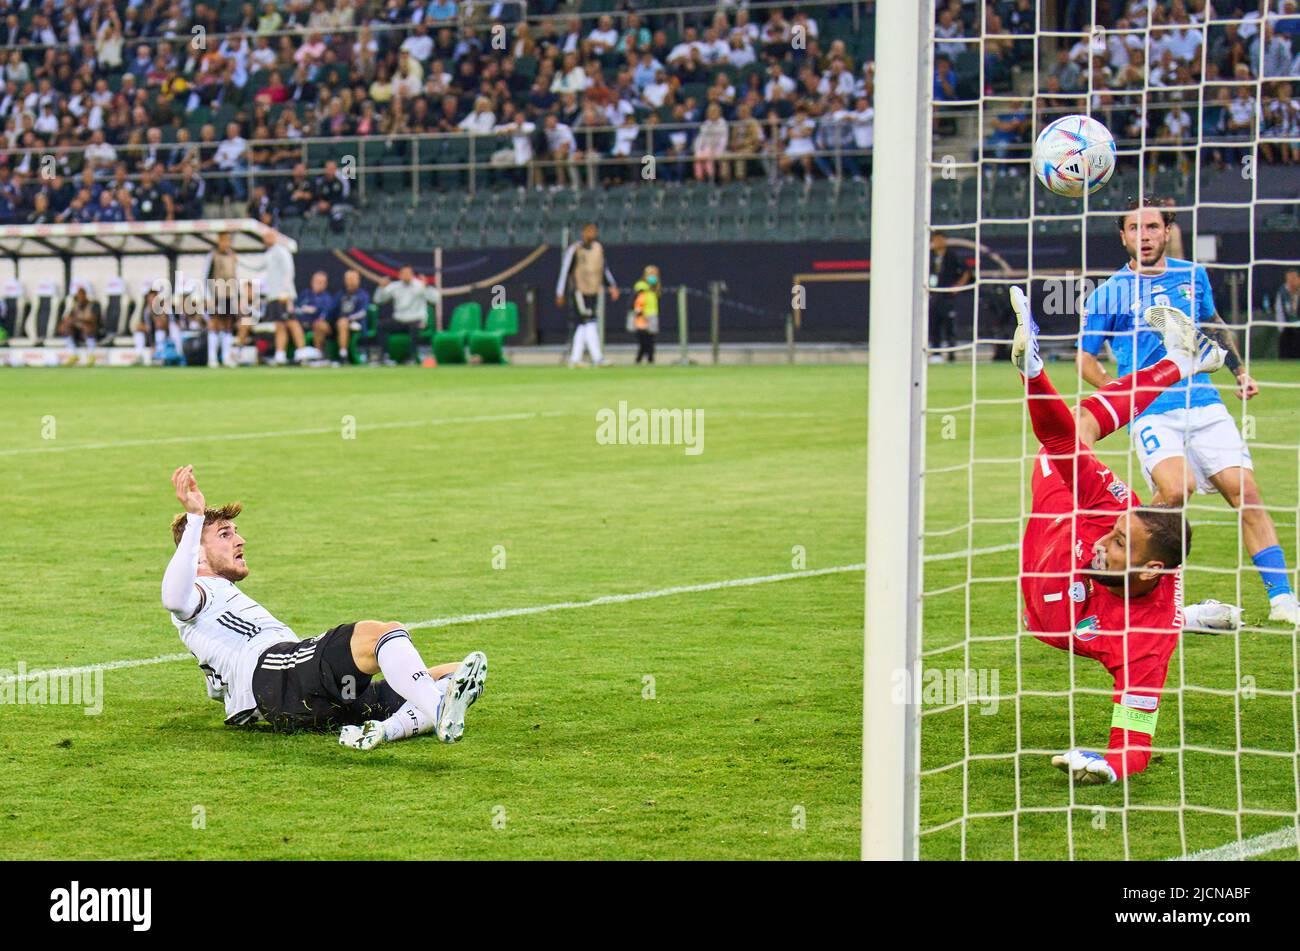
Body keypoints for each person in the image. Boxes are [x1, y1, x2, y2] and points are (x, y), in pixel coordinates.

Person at [1010, 287, 1238, 784]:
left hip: (1047, 619)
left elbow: (1134, 742)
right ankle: (1180, 362)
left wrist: (1106, 766)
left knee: (1080, 432)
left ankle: (1184, 361)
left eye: (1116, 544)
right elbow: (1057, 437)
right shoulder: (1113, 512)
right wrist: (1034, 374)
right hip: (1057, 520)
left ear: (1152, 569)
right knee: (1074, 436)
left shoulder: (1147, 640)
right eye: (1114, 534)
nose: (1102, 543)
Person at [1078, 196, 1300, 624]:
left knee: (1246, 493)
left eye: (1153, 228)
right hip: (1153, 411)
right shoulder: (1108, 293)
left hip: (1203, 402)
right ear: (1122, 236)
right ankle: (1148, 595)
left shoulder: (1193, 276)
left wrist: (1239, 372)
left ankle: (1282, 600)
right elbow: (1085, 361)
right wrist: (1123, 396)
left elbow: (1212, 324)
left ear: (1167, 231)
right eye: (1135, 229)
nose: (1144, 236)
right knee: (1176, 493)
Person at [161, 466, 486, 748]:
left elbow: (219, 689)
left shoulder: (217, 605)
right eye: (224, 534)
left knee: (456, 674)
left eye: (236, 531)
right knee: (384, 633)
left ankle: (385, 730)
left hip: (297, 695)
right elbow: (174, 600)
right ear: (198, 554)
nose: (240, 539)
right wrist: (194, 519)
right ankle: (438, 708)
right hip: (276, 676)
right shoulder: (198, 591)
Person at [556, 222, 619, 368]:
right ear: (583, 232)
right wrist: (560, 292)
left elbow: (604, 269)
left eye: (594, 231)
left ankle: (576, 358)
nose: (591, 234)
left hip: (594, 289)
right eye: (589, 231)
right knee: (588, 320)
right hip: (580, 290)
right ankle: (596, 358)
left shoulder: (598, 248)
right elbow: (565, 271)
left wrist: (612, 286)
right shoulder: (575, 249)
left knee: (584, 323)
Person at [372, 265, 439, 365]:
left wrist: (426, 287)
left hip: (416, 320)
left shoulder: (420, 285)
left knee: (415, 327)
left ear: (412, 275)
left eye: (409, 273)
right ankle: (384, 356)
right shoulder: (395, 286)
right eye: (404, 273)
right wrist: (381, 287)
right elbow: (378, 300)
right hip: (399, 320)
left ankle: (411, 357)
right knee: (381, 325)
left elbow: (435, 299)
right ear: (400, 275)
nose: (406, 276)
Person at [928, 232, 972, 364]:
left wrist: (958, 286)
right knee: (934, 324)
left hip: (948, 297)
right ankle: (936, 353)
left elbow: (967, 271)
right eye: (935, 240)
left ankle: (952, 354)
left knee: (949, 326)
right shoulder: (930, 256)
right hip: (934, 296)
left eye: (940, 239)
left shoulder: (953, 256)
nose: (938, 242)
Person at [202, 232, 241, 368]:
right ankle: (212, 357)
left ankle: (226, 356)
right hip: (216, 293)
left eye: (227, 241)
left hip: (229, 294)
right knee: (215, 323)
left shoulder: (232, 256)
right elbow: (205, 276)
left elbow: (235, 276)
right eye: (223, 241)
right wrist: (208, 296)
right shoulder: (212, 256)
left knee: (227, 324)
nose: (225, 244)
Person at [58, 285, 102, 365]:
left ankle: (91, 355)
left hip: (94, 332)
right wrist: (67, 320)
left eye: (81, 295)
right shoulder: (75, 305)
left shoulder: (94, 305)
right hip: (78, 331)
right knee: (64, 327)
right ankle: (74, 354)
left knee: (87, 327)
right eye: (77, 296)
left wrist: (77, 319)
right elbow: (68, 318)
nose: (79, 298)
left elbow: (92, 319)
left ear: (85, 295)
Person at [628, 265, 661, 364]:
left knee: (650, 340)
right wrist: (640, 314)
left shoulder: (655, 288)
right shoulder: (641, 286)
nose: (653, 277)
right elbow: (637, 302)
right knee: (644, 341)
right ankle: (643, 360)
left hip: (652, 315)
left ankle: (647, 360)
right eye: (650, 274)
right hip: (643, 316)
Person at [1275, 268, 1300, 359]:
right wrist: (1281, 329)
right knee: (1285, 337)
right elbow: (1279, 311)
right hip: (1288, 327)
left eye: (1293, 279)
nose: (1291, 282)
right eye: (1288, 280)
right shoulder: (1282, 292)